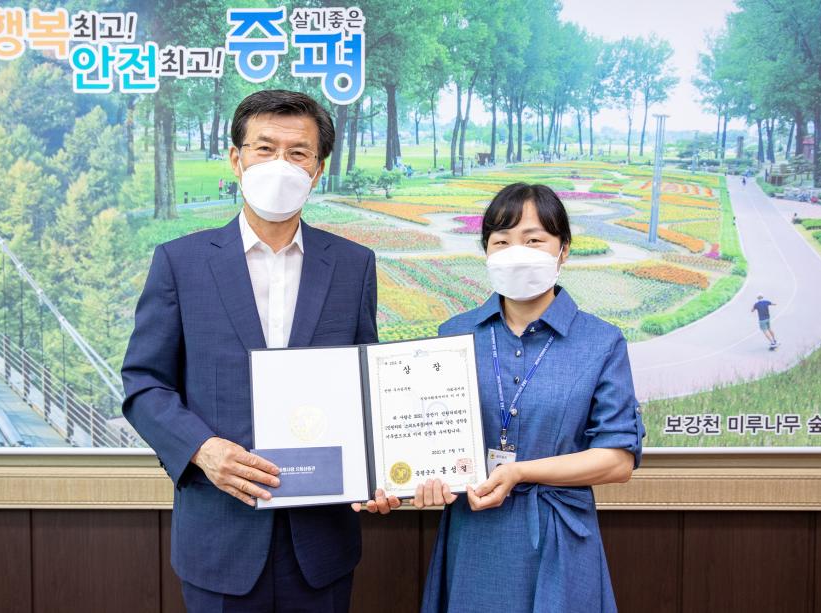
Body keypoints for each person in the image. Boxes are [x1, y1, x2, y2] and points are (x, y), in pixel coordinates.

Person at [121, 89, 389, 613]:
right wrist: (202, 450)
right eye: (265, 148)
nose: (280, 165)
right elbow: (145, 384)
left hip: (321, 543)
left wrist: (382, 470)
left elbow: (367, 384)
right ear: (236, 158)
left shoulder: (353, 265)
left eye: (298, 152)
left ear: (318, 170)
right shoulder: (181, 262)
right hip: (220, 537)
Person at [408, 183, 643, 612]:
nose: (517, 252)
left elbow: (617, 461)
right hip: (475, 529)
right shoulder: (453, 335)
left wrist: (520, 472)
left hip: (559, 533)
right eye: (501, 241)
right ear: (486, 251)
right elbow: (428, 441)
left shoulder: (601, 341)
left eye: (534, 240)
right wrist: (422, 477)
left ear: (563, 250)